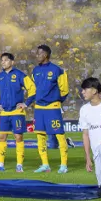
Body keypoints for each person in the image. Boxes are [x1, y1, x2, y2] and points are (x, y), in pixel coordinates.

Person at [0, 52, 33, 172]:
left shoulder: (20, 75)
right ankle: (0, 165)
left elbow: (32, 89)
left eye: (6, 60)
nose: (3, 62)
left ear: (12, 62)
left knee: (18, 136)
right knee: (1, 136)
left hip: (17, 112)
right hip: (4, 113)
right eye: (2, 60)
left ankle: (19, 165)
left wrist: (26, 103)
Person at [31, 44, 70, 173]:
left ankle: (63, 165)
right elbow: (34, 89)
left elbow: (64, 90)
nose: (37, 56)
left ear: (46, 55)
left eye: (39, 53)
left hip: (52, 108)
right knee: (40, 136)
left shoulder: (58, 70)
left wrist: (55, 101)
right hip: (39, 108)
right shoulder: (35, 71)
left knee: (59, 135)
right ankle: (45, 164)